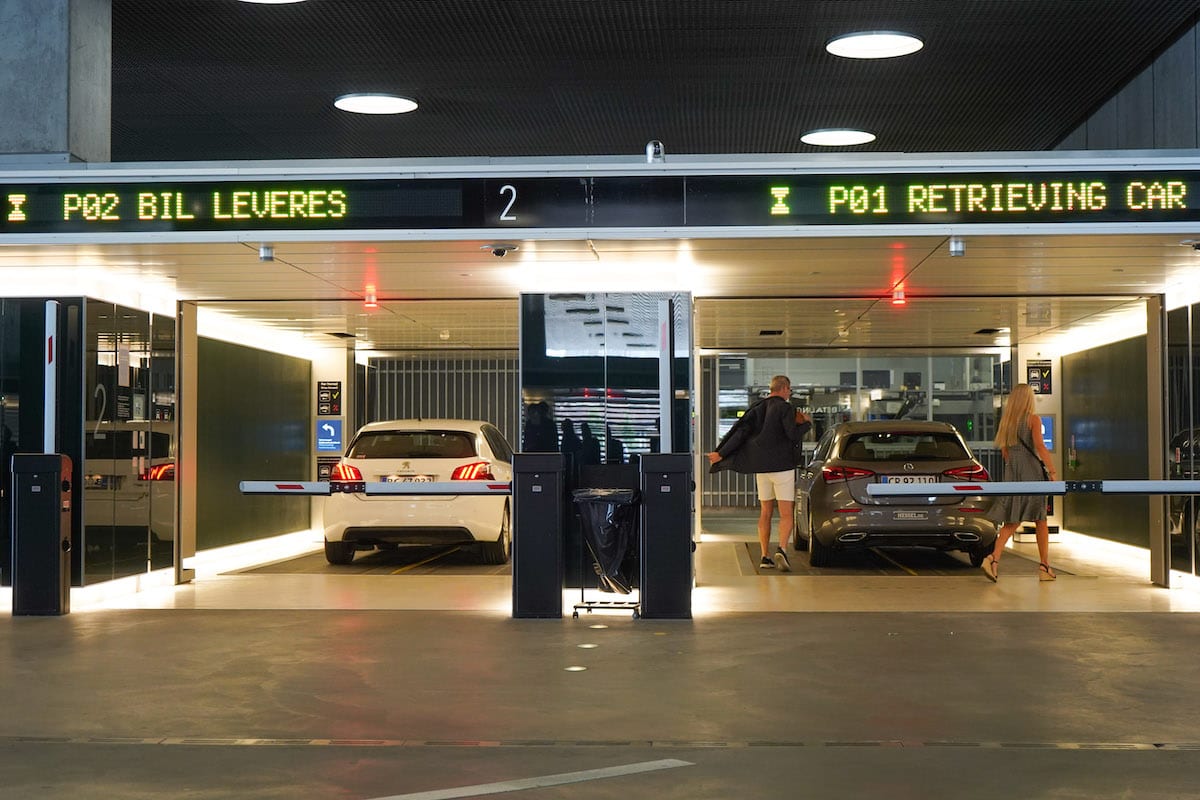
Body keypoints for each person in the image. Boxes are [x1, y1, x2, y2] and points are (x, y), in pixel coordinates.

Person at [707, 375, 811, 572]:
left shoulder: (757, 408)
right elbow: (792, 435)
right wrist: (806, 423)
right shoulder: (785, 408)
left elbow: (740, 433)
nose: (789, 393)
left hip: (761, 469)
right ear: (785, 388)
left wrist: (721, 453)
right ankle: (781, 548)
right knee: (786, 513)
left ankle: (764, 556)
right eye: (789, 390)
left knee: (765, 511)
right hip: (782, 467)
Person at [982, 382, 1058, 582]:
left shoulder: (1007, 423)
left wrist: (1015, 470)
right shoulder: (1033, 419)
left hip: (1013, 474)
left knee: (1012, 520)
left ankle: (993, 559)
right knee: (1040, 519)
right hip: (1031, 474)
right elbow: (1040, 447)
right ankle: (1044, 566)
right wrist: (1052, 471)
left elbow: (1006, 454)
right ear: (1028, 399)